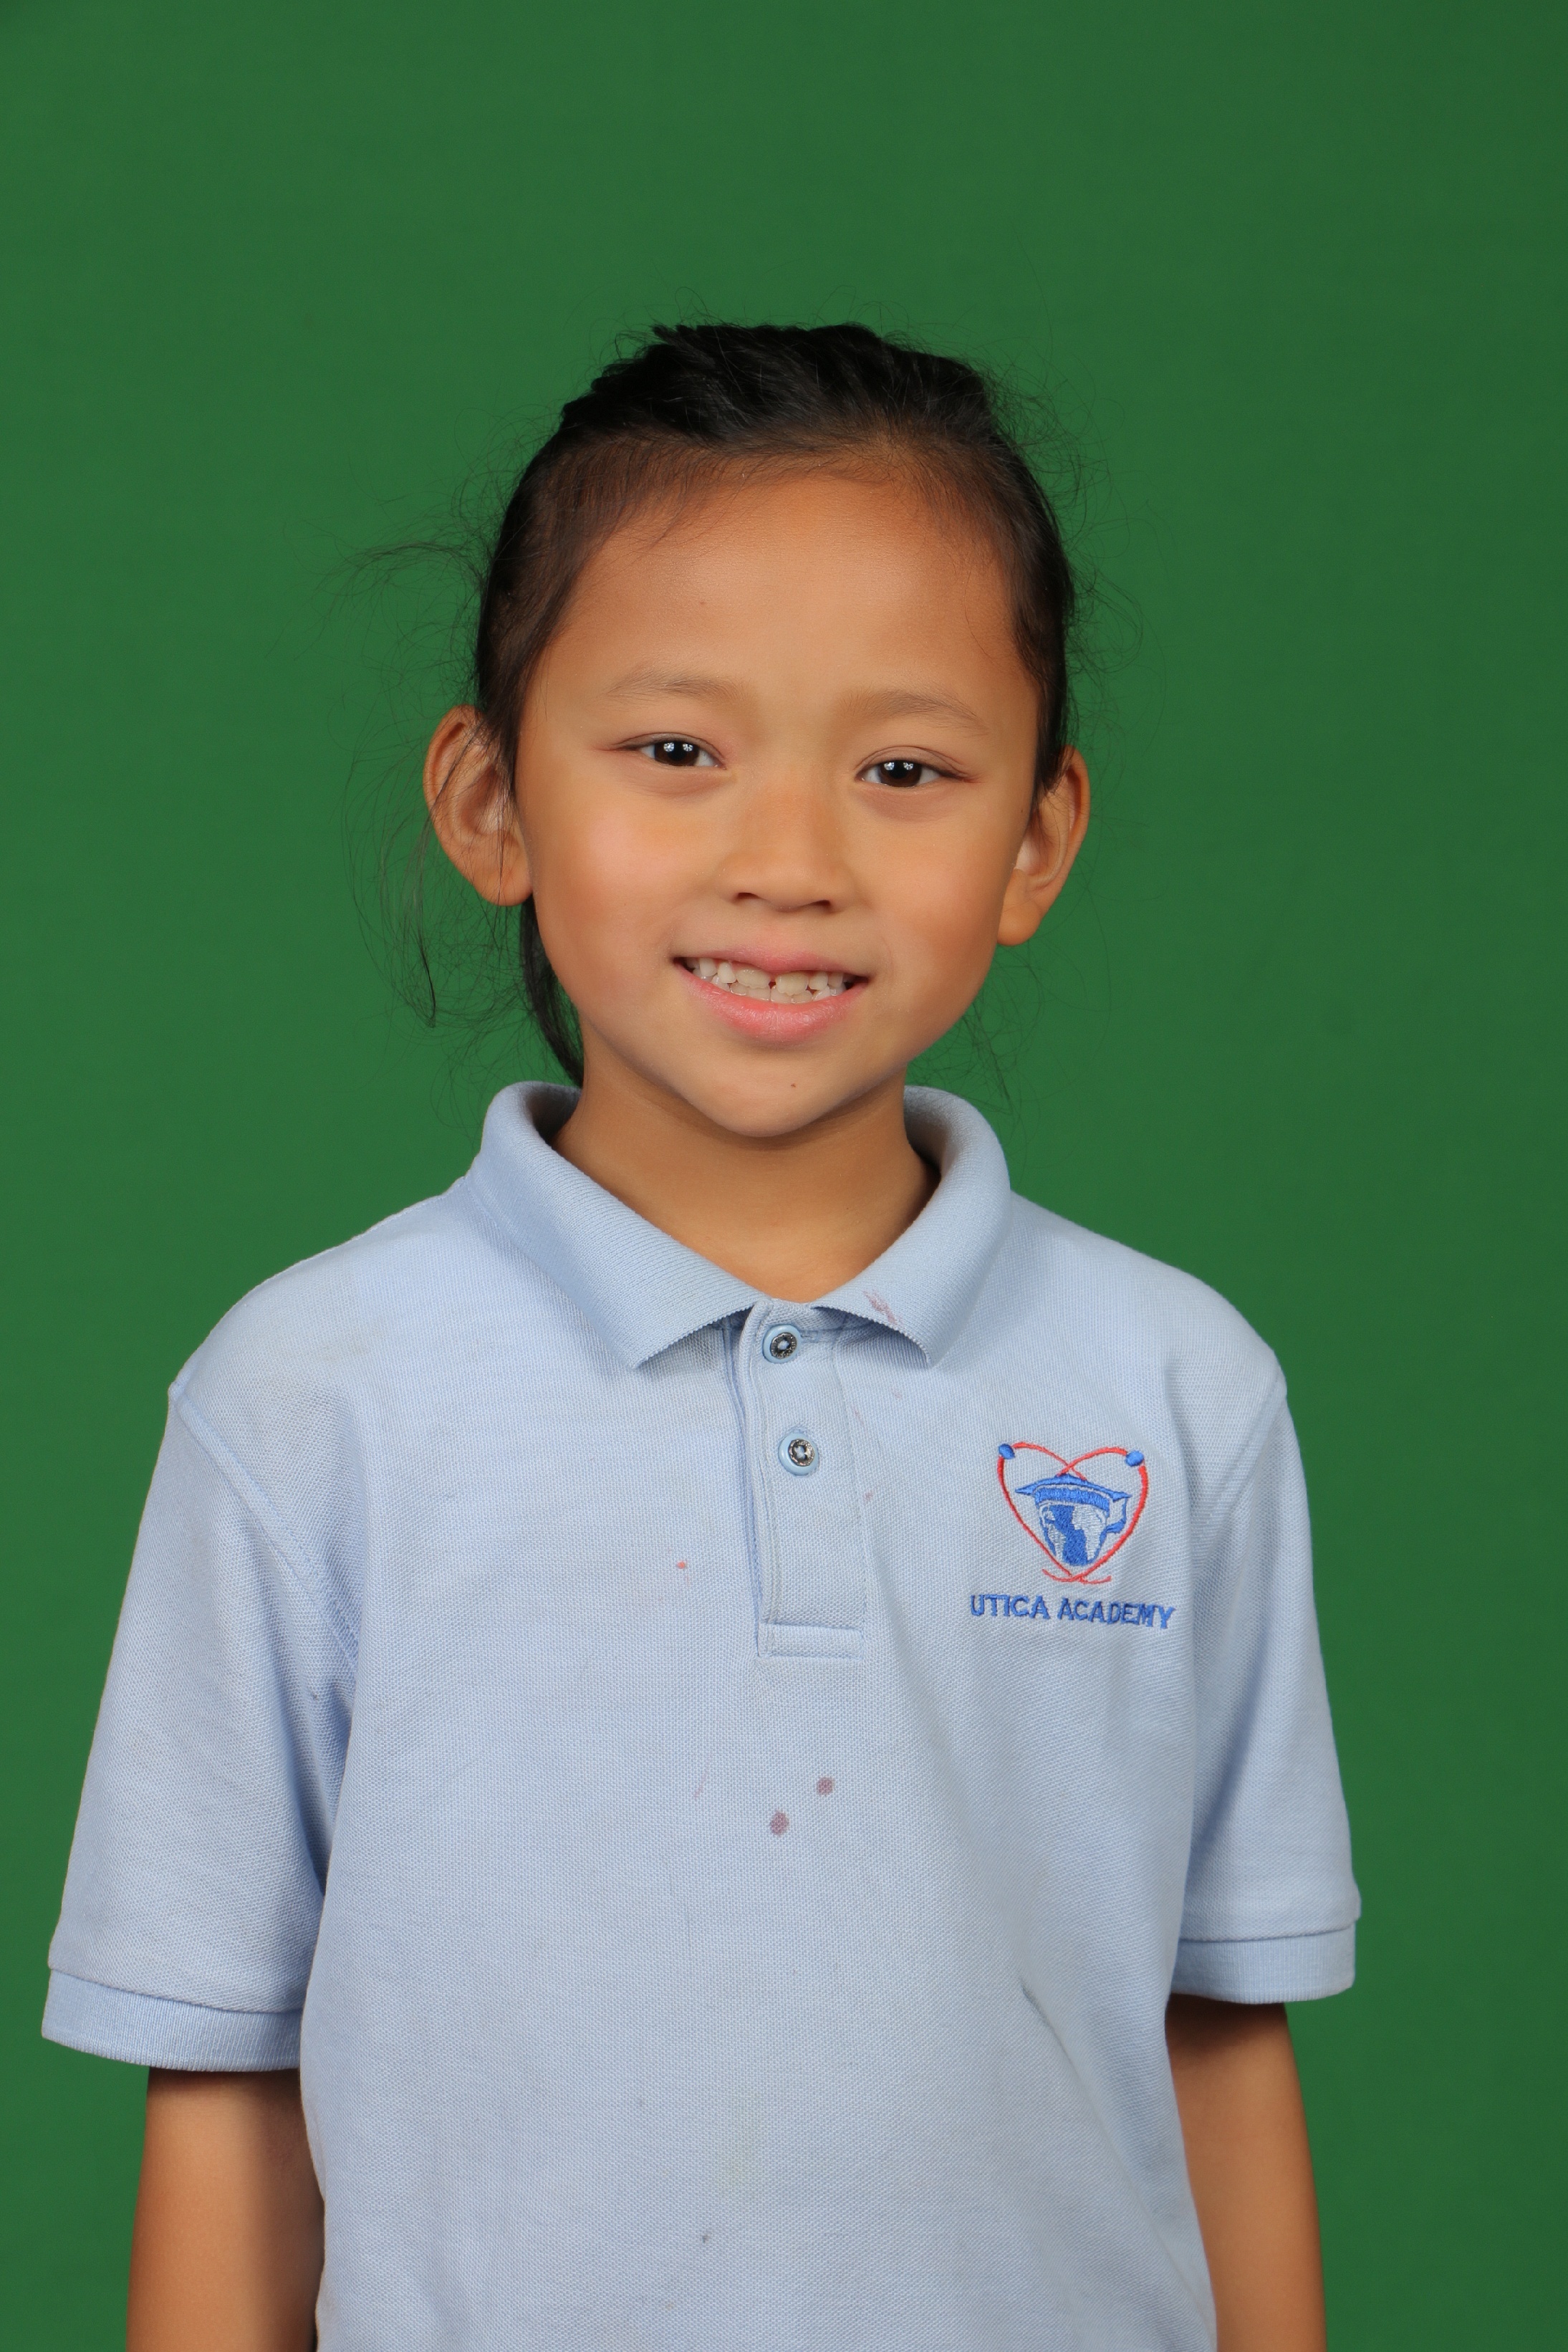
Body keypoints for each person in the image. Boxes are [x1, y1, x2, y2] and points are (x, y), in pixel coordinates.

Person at [44, 322, 1359, 2351]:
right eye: (676, 751)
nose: (791, 863)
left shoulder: (1179, 1392)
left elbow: (1214, 2027)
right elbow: (225, 2077)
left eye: (905, 770)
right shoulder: (306, 1399)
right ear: (490, 799)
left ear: (1036, 838)